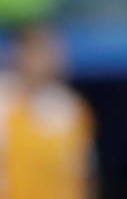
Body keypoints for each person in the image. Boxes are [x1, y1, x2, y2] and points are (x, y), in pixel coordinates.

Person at [0, 24, 97, 199]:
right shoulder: (4, 100)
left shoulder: (71, 108)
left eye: (50, 52)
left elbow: (84, 174)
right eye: (35, 52)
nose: (43, 60)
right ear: (18, 54)